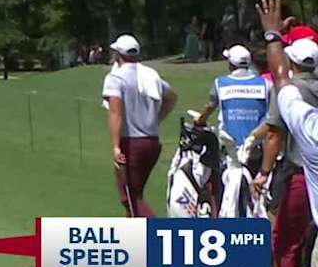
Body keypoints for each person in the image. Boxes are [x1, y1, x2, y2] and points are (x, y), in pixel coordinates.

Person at [255, 0, 318, 267]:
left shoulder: (298, 105)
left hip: (296, 177)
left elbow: (275, 133)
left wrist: (272, 35)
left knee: (284, 242)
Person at [103, 34, 178, 216]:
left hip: (131, 143)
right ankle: (137, 240)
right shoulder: (150, 75)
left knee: (128, 197)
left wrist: (115, 147)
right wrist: (157, 118)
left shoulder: (116, 78)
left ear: (118, 55)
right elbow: (172, 97)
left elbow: (116, 112)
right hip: (152, 142)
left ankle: (158, 236)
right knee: (135, 193)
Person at [194, 44, 272, 146]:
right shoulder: (266, 84)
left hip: (230, 144)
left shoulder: (220, 83)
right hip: (258, 144)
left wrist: (200, 120)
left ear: (231, 64)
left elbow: (210, 106)